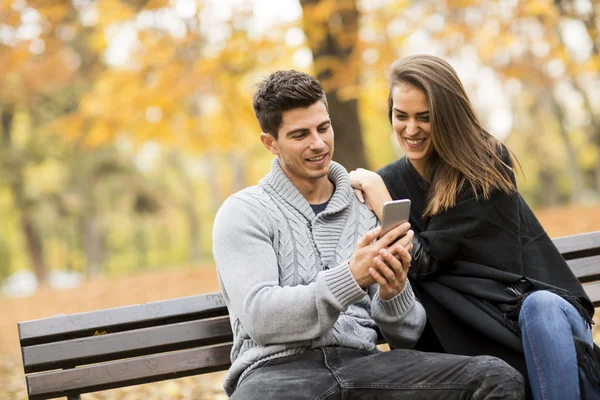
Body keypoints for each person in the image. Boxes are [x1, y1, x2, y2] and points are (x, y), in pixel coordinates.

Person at [212, 69, 525, 399]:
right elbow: (262, 319)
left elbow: (406, 334)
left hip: (364, 367)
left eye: (323, 127)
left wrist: (394, 293)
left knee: (494, 377)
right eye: (300, 134)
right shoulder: (243, 212)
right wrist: (351, 277)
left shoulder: (365, 207)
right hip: (277, 374)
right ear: (270, 143)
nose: (318, 143)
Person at [349, 54, 598, 400]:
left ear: (449, 116)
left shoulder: (486, 164)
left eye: (425, 117)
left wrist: (379, 196)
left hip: (535, 318)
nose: (410, 129)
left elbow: (426, 261)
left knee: (540, 307)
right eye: (400, 115)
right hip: (463, 330)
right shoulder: (392, 179)